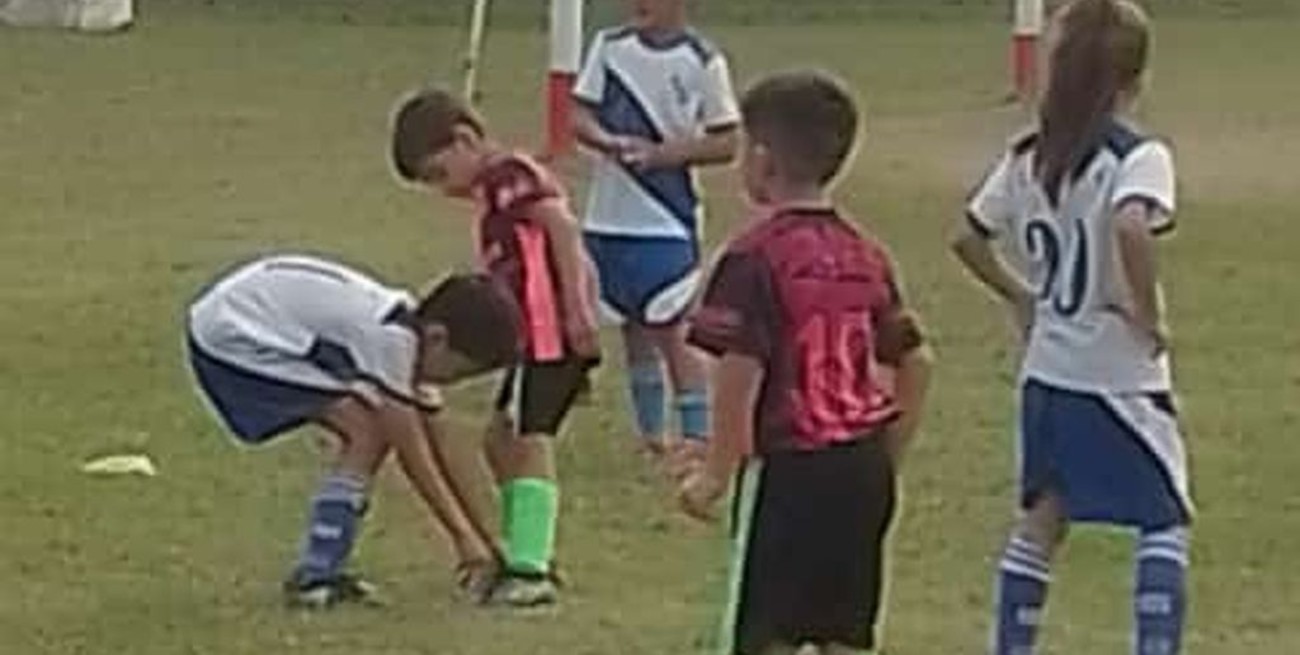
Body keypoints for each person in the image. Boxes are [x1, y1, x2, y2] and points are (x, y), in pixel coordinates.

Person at [950, 2, 1191, 653]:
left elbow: (967, 236)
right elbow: (1132, 224)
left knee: (1042, 518)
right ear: (1134, 80)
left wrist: (1020, 296)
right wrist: (1147, 310)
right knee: (1164, 518)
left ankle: (1011, 644)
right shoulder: (1139, 156)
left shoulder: (1031, 155)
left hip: (1047, 373)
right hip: (1119, 373)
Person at [678, 71, 934, 655]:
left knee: (767, 629)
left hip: (788, 471)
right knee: (844, 628)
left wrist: (715, 472)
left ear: (761, 160)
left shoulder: (753, 258)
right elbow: (917, 361)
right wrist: (888, 453)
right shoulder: (865, 253)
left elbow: (741, 370)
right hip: (861, 467)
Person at [185, 254, 520, 608]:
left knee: (368, 427)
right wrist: (463, 540)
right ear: (438, 338)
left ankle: (319, 572)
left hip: (251, 314)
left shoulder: (409, 332)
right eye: (458, 373)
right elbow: (414, 455)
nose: (452, 383)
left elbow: (442, 443)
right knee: (368, 432)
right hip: (234, 335)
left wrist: (488, 538)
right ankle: (317, 575)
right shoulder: (390, 344)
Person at [391, 89, 601, 607]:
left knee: (526, 437)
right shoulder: (491, 195)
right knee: (500, 439)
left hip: (548, 333)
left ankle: (531, 568)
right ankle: (523, 545)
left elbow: (562, 229)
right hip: (527, 337)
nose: (443, 189)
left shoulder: (512, 177)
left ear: (465, 139)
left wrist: (577, 309)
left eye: (440, 173)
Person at [571, 0, 739, 462]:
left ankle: (697, 436)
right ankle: (652, 437)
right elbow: (579, 114)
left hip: (665, 220)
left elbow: (726, 142)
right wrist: (606, 141)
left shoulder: (702, 60)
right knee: (633, 328)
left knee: (671, 329)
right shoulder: (609, 47)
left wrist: (663, 155)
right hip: (608, 219)